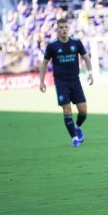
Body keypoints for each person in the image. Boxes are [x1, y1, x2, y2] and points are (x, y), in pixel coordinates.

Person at [39, 18, 94, 147]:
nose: (63, 29)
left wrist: (90, 74)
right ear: (57, 29)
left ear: (68, 29)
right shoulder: (52, 45)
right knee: (67, 110)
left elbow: (86, 57)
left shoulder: (76, 42)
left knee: (83, 111)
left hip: (75, 81)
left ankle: (77, 126)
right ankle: (74, 138)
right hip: (61, 83)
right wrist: (41, 82)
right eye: (61, 27)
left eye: (65, 27)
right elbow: (44, 63)